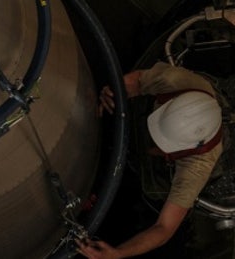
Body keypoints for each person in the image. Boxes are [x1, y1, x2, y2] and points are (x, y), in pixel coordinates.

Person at [78, 62, 224, 258]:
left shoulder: (197, 167)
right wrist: (113, 92)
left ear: (189, 149)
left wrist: (118, 253)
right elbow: (138, 81)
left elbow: (164, 228)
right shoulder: (177, 82)